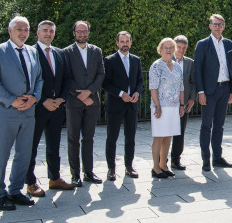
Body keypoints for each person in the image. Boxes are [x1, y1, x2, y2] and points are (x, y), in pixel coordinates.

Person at [0, 16, 42, 210]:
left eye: (26, 29)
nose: (23, 32)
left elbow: (40, 79)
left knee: (24, 154)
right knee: (1, 155)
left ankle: (15, 191)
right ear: (10, 31)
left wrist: (35, 97)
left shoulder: (33, 52)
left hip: (28, 111)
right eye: (19, 29)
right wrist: (12, 100)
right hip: (5, 112)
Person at [26, 20, 75, 197]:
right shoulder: (30, 52)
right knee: (31, 146)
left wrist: (61, 98)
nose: (48, 34)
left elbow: (67, 78)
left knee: (54, 145)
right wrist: (43, 100)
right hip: (38, 107)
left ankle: (54, 178)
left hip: (57, 108)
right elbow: (28, 80)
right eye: (45, 30)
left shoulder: (60, 53)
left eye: (51, 31)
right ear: (37, 33)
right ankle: (30, 182)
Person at [63, 20, 105, 186]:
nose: (82, 34)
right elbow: (66, 76)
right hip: (73, 102)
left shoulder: (96, 51)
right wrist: (79, 95)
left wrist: (89, 92)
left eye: (85, 31)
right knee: (73, 138)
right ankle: (75, 175)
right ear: (74, 33)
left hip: (92, 102)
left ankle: (88, 172)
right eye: (79, 31)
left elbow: (101, 74)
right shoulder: (66, 52)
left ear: (88, 32)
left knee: (89, 138)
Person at [194, 14, 232, 171]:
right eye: (215, 24)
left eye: (220, 24)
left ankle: (217, 158)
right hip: (209, 91)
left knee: (220, 125)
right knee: (206, 125)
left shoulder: (229, 44)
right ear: (210, 26)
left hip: (224, 89)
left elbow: (231, 67)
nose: (217, 27)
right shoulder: (202, 44)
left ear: (224, 26)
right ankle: (206, 159)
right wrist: (200, 91)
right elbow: (197, 70)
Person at [103, 31, 144, 181]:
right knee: (112, 137)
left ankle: (129, 166)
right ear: (117, 43)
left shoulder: (136, 60)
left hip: (132, 105)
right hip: (115, 104)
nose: (125, 44)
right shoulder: (109, 60)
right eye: (122, 41)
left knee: (130, 137)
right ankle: (111, 168)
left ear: (131, 42)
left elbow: (140, 80)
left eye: (127, 41)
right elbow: (105, 83)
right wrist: (121, 94)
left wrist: (137, 93)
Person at [149, 38, 184, 178]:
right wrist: (157, 106)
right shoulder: (156, 66)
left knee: (168, 137)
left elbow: (181, 87)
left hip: (174, 107)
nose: (168, 50)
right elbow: (153, 88)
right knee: (158, 137)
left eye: (171, 47)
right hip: (161, 107)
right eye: (166, 47)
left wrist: (182, 105)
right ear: (160, 49)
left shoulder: (177, 66)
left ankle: (164, 165)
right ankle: (155, 168)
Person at [170, 35, 197, 170]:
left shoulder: (190, 63)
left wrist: (192, 98)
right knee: (165, 134)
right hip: (168, 104)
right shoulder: (166, 60)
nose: (181, 50)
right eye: (179, 47)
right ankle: (160, 161)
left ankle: (176, 160)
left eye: (184, 48)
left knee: (180, 133)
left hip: (184, 104)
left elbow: (193, 82)